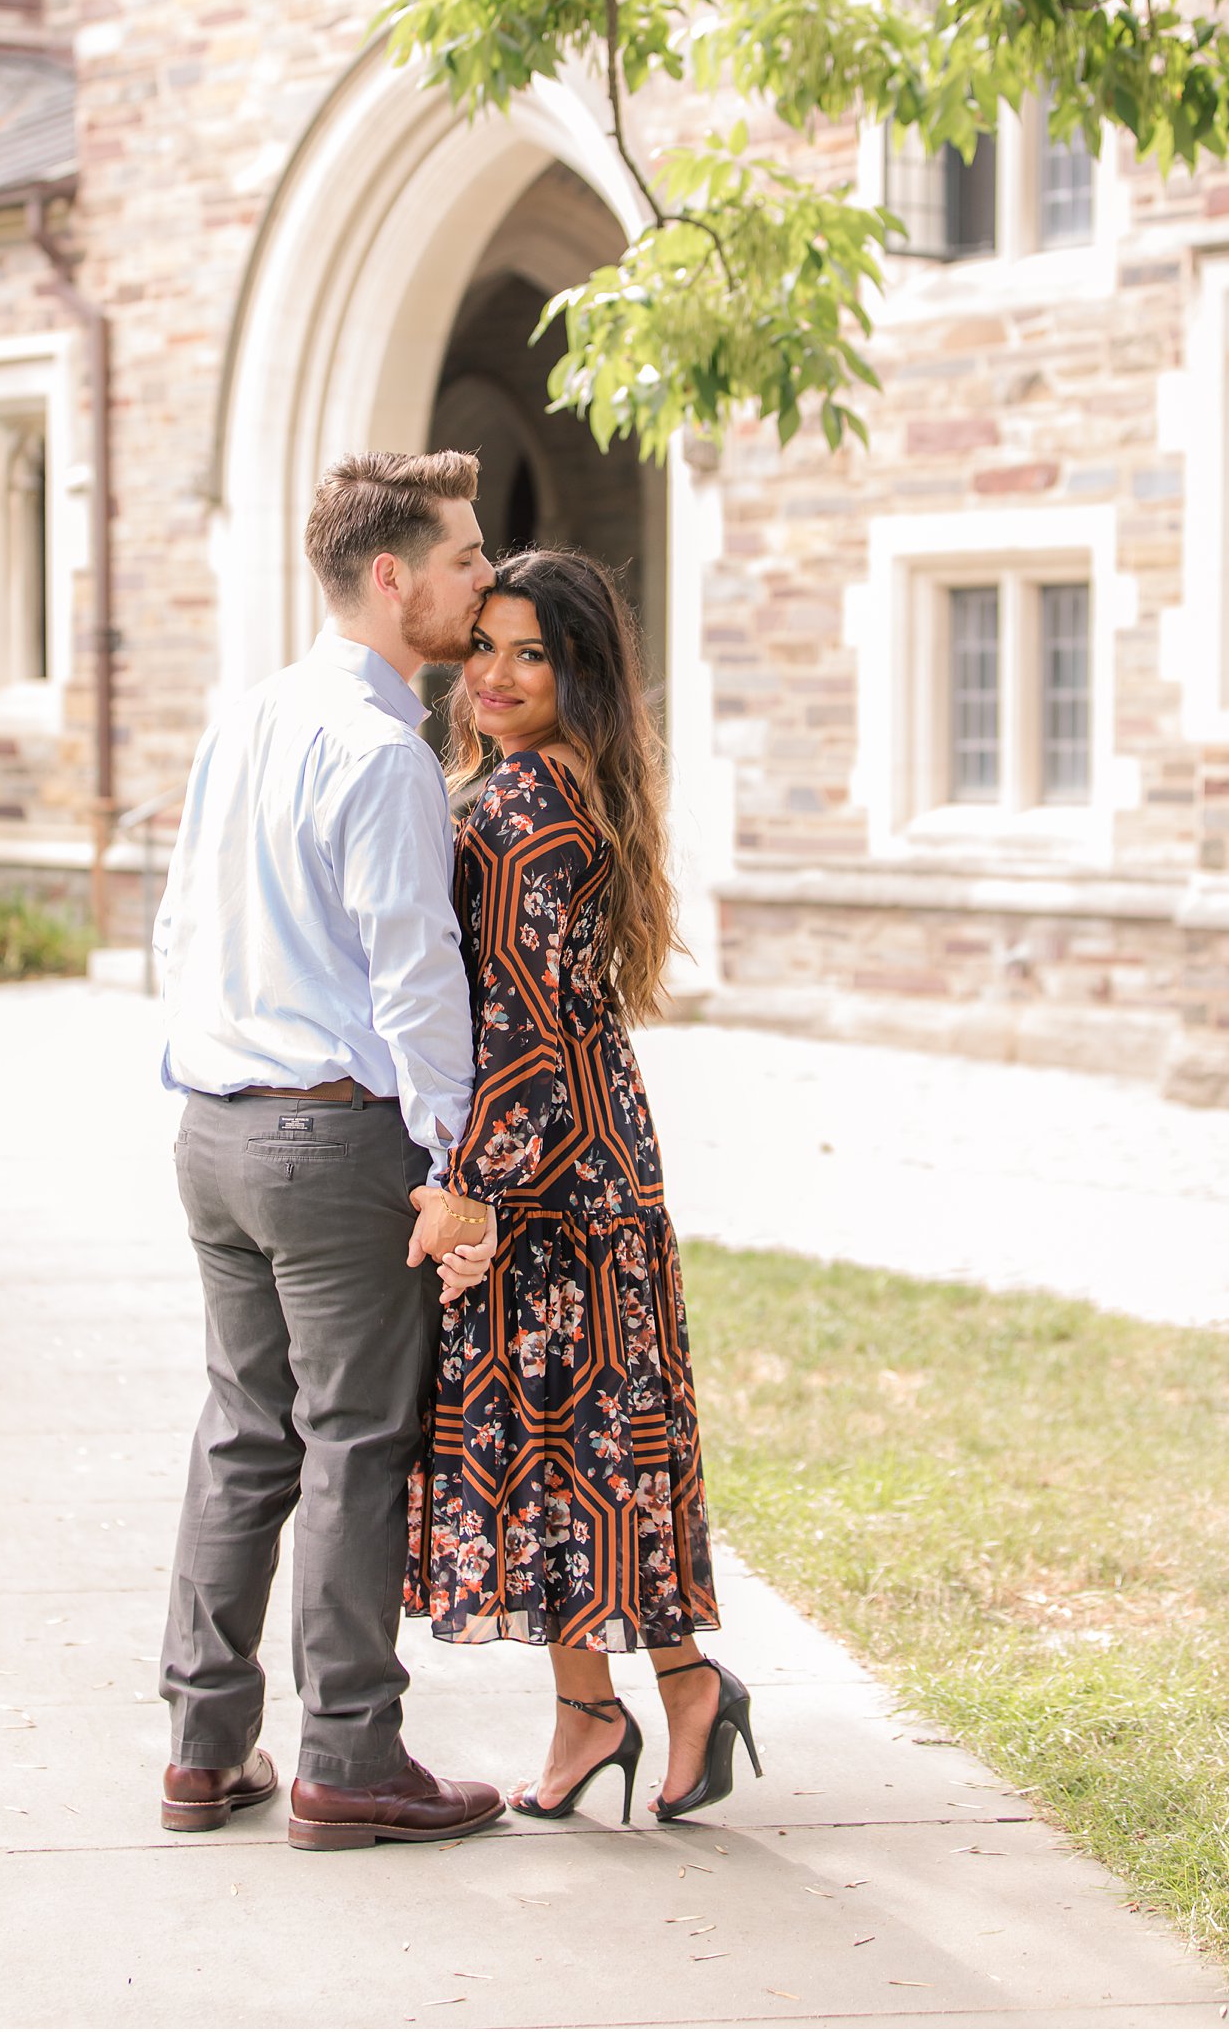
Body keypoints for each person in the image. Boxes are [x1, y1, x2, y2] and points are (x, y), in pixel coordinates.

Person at [154, 449, 506, 1852]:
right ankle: (349, 1758)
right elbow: (416, 973)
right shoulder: (383, 752)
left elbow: (177, 922)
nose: (484, 581)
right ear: (391, 578)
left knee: (245, 1433)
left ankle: (200, 1748)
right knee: (353, 1444)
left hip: (214, 1132)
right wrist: (454, 1159)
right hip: (330, 1140)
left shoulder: (245, 719)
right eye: (468, 559)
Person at [405, 547, 761, 1824]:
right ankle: (631, 1701)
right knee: (585, 1463)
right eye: (485, 645)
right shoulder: (550, 789)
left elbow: (524, 1028)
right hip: (592, 1171)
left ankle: (629, 1704)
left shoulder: (520, 815)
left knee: (572, 1462)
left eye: (531, 654)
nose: (493, 675)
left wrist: (474, 1191)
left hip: (550, 1190)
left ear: (580, 675)